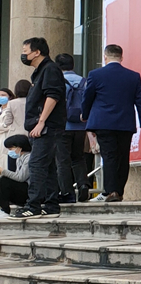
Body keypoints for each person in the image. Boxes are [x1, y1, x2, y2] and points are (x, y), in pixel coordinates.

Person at [82, 44, 141, 203]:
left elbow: (87, 98)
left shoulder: (95, 75)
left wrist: (85, 116)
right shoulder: (133, 76)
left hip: (103, 123)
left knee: (109, 156)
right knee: (122, 157)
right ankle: (118, 191)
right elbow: (140, 101)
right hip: (125, 123)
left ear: (105, 57)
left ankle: (111, 191)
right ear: (121, 57)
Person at [8, 37, 68, 218]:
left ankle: (33, 205)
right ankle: (51, 204)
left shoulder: (50, 69)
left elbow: (53, 96)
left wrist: (41, 122)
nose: (23, 55)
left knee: (36, 164)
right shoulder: (40, 71)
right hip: (40, 127)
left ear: (37, 52)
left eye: (25, 51)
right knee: (47, 166)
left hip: (47, 127)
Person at [55, 53, 89, 203]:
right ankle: (83, 185)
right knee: (78, 157)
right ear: (73, 65)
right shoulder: (84, 81)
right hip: (80, 126)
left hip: (63, 126)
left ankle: (67, 192)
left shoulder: (57, 81)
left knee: (62, 160)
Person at [0, 135, 31, 215]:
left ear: (19, 147)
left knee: (4, 181)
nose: (9, 152)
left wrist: (3, 171)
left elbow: (21, 177)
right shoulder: (19, 158)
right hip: (23, 188)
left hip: (29, 190)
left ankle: (5, 209)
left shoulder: (29, 158)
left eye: (11, 149)